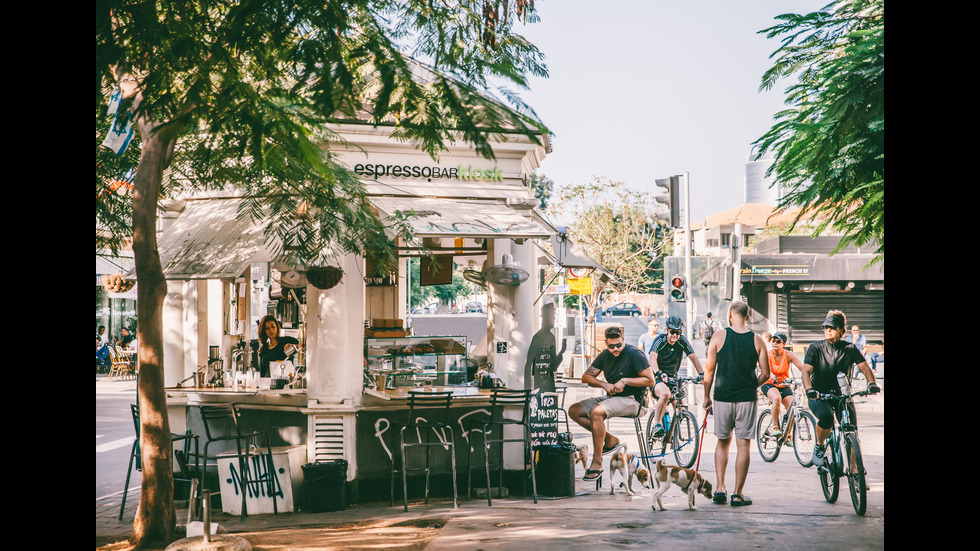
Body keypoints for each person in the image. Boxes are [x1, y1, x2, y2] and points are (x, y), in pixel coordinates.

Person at [702, 301, 769, 507]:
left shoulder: (718, 336)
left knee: (723, 441)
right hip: (746, 398)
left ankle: (720, 489)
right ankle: (737, 494)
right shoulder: (757, 340)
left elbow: (709, 371)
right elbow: (766, 373)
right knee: (743, 444)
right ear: (747, 316)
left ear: (730, 314)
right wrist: (751, 385)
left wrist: (706, 396)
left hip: (722, 396)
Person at [569, 326, 655, 481]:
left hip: (634, 401)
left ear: (623, 339)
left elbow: (650, 380)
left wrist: (625, 381)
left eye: (618, 345)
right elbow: (586, 377)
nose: (615, 349)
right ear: (605, 343)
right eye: (611, 346)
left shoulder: (634, 354)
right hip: (612, 398)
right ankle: (609, 440)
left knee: (596, 412)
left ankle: (597, 463)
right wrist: (604, 385)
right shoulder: (604, 355)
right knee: (574, 410)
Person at [802, 310, 879, 467]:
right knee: (826, 418)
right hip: (819, 395)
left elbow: (864, 368)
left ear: (841, 330)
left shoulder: (849, 348)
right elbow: (806, 371)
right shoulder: (815, 348)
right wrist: (809, 389)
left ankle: (856, 473)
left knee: (851, 430)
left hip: (842, 395)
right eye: (825, 327)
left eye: (832, 327)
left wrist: (872, 383)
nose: (827, 330)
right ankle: (820, 445)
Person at [647, 316, 704, 438]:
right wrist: (659, 373)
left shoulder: (682, 341)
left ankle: (673, 436)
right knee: (666, 395)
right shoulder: (660, 340)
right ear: (667, 329)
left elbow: (693, 357)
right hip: (657, 377)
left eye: (678, 333)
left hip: (673, 377)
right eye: (672, 332)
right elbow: (652, 358)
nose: (675, 336)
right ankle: (657, 424)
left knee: (681, 405)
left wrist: (701, 374)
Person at [760, 332, 804, 440]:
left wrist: (810, 376)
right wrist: (773, 377)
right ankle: (775, 427)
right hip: (769, 383)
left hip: (784, 385)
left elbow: (803, 368)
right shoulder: (768, 354)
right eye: (773, 341)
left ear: (784, 344)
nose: (775, 343)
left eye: (778, 341)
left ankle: (787, 435)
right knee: (776, 398)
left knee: (792, 408)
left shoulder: (788, 355)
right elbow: (767, 371)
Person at [524, 302, 567, 393]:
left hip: (550, 383)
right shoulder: (537, 338)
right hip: (539, 383)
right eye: (552, 316)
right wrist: (527, 389)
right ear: (546, 318)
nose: (554, 319)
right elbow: (528, 364)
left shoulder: (552, 337)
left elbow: (553, 366)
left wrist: (561, 352)